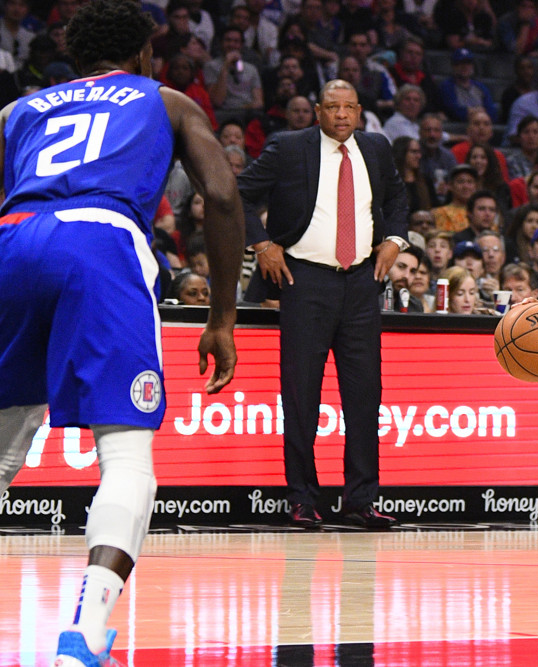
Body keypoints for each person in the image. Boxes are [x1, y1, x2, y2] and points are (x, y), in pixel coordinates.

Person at [0, 0, 243, 663]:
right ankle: (83, 633)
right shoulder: (163, 100)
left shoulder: (17, 111)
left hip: (12, 241)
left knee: (2, 451)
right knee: (127, 457)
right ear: (142, 55)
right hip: (101, 243)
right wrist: (222, 317)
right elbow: (222, 196)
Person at [237, 80, 409, 530]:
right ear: (317, 111)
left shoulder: (376, 147)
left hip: (362, 282)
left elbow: (397, 197)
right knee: (301, 396)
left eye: (349, 107)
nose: (341, 115)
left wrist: (395, 239)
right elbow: (239, 193)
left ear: (360, 110)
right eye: (333, 107)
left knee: (365, 395)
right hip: (304, 280)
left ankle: (361, 499)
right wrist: (262, 244)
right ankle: (302, 498)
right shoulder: (289, 147)